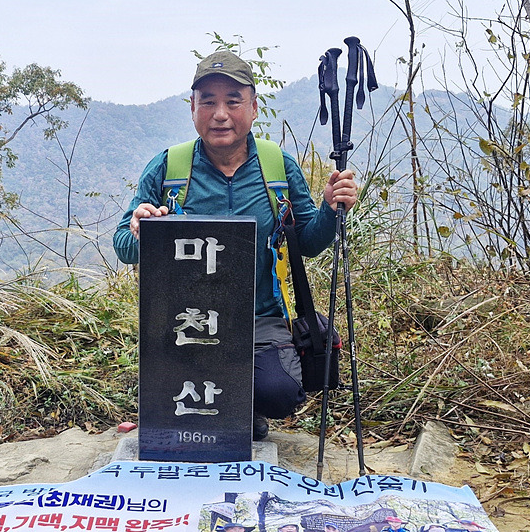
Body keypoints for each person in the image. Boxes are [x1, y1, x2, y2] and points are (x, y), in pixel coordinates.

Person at [114, 51, 359, 440]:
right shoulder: (168, 168)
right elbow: (123, 245)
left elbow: (309, 242)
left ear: (254, 107)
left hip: (259, 319)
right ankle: (222, 415)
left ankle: (241, 409)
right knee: (175, 393)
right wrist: (142, 232)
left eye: (233, 101)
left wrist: (330, 209)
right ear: (192, 108)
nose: (220, 114)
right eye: (208, 101)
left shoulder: (277, 167)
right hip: (185, 322)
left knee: (278, 392)